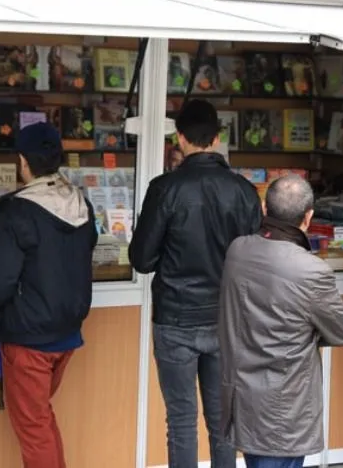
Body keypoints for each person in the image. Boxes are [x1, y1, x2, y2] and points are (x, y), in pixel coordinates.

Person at [128, 99, 262, 468]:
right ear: (217, 138)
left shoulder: (164, 189)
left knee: (181, 421)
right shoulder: (244, 191)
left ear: (180, 138)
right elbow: (254, 261)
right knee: (222, 421)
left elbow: (141, 259)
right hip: (226, 319)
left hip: (175, 318)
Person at [0, 122, 97, 468]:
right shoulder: (82, 202)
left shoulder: (15, 209)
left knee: (34, 428)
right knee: (41, 419)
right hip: (68, 330)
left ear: (22, 161)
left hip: (28, 335)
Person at [219, 175, 343, 468]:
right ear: (308, 217)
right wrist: (309, 332)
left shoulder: (237, 251)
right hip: (286, 403)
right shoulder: (312, 270)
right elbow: (341, 332)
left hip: (243, 395)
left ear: (265, 209)